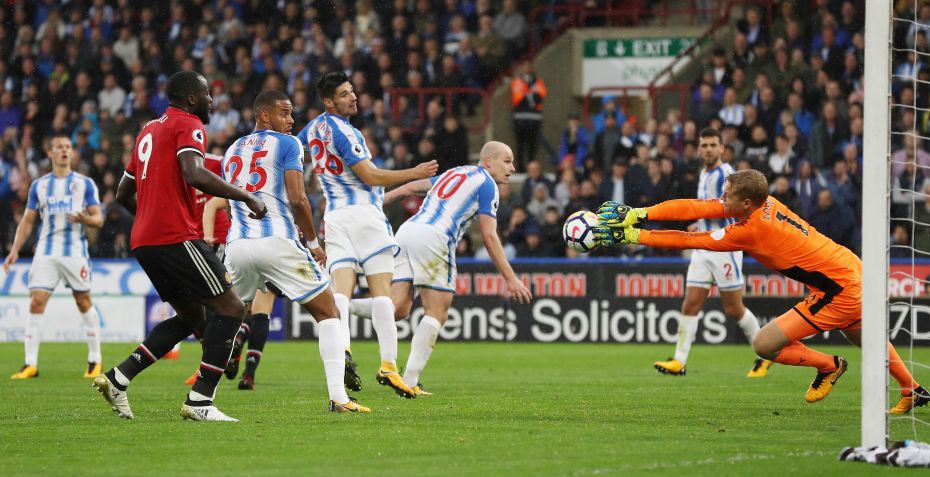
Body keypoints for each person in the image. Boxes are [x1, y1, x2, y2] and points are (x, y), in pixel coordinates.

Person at [595, 169, 929, 414]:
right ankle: (911, 389)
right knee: (864, 337)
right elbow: (697, 208)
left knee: (764, 344)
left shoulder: (751, 230)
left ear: (746, 202)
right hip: (848, 266)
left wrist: (633, 236)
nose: (722, 200)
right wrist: (640, 214)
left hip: (838, 289)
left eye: (727, 196)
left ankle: (829, 365)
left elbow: (690, 239)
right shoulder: (764, 203)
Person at [93, 71, 267, 422]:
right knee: (232, 308)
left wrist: (149, 218)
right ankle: (200, 400)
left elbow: (123, 193)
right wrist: (246, 196)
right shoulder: (188, 124)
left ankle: (118, 378)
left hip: (144, 241)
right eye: (207, 93)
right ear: (191, 98)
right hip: (174, 236)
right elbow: (194, 173)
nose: (211, 100)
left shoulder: (148, 130)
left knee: (192, 317)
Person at [221, 90, 368, 412]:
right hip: (276, 242)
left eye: (291, 113)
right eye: (284, 113)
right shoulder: (288, 144)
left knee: (225, 319)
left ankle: (202, 397)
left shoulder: (232, 149)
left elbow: (232, 201)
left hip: (237, 245)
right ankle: (339, 399)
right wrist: (314, 244)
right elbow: (298, 199)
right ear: (264, 116)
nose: (291, 120)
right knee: (329, 311)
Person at [350, 141, 533, 394]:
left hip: (407, 231)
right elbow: (489, 236)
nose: (512, 168)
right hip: (434, 237)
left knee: (399, 307)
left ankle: (342, 305)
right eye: (507, 161)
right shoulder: (488, 184)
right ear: (488, 162)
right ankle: (410, 382)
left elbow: (412, 187)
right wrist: (510, 278)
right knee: (437, 311)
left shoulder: (456, 172)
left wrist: (379, 202)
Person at [297, 72, 437, 398]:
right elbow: (371, 176)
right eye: (344, 94)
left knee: (341, 291)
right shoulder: (344, 131)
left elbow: (294, 147)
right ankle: (388, 365)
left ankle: (343, 347)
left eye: (352, 91)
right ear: (329, 102)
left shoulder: (313, 127)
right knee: (382, 292)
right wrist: (414, 173)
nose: (353, 97)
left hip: (335, 217)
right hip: (365, 217)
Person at [648, 129, 770, 377]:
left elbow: (731, 211)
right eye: (704, 145)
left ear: (722, 149)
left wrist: (711, 225)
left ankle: (765, 355)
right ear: (699, 149)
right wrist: (700, 224)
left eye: (713, 145)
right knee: (690, 304)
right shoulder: (704, 173)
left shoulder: (728, 175)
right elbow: (707, 209)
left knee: (734, 308)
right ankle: (679, 361)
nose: (708, 150)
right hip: (703, 247)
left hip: (724, 249)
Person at [3, 134, 104, 380]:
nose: (65, 150)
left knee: (83, 302)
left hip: (75, 251)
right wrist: (15, 250)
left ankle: (95, 360)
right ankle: (30, 364)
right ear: (50, 152)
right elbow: (28, 221)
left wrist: (85, 219)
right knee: (36, 303)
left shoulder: (85, 184)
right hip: (46, 252)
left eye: (68, 147)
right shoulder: (39, 186)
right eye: (59, 147)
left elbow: (99, 219)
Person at [510, 60, 547, 170]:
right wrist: (531, 97)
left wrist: (526, 95)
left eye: (528, 66)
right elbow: (517, 98)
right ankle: (520, 168)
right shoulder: (517, 81)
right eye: (525, 66)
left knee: (532, 145)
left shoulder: (538, 81)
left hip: (534, 119)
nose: (527, 68)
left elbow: (540, 96)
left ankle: (532, 168)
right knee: (520, 145)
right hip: (520, 118)